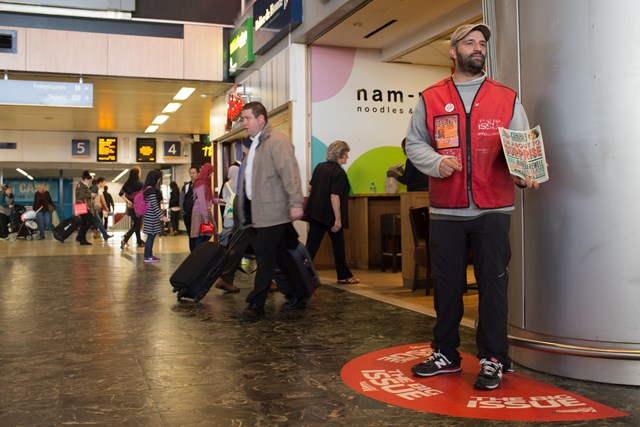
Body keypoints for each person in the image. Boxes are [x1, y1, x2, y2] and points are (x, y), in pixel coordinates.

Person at [405, 23, 540, 391]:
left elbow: (521, 145)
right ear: (453, 51)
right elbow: (414, 143)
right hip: (446, 210)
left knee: (493, 286)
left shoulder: (505, 97)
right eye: (470, 42)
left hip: (493, 208)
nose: (478, 48)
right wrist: (435, 163)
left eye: (482, 43)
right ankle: (446, 353)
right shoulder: (430, 97)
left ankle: (494, 358)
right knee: (446, 285)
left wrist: (524, 173)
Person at [237, 101, 305, 321]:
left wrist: (296, 203)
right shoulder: (254, 144)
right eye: (242, 119)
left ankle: (256, 304)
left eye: (247, 118)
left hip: (273, 212)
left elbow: (290, 173)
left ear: (261, 119)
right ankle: (301, 292)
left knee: (265, 258)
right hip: (258, 212)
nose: (243, 123)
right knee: (282, 256)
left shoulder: (278, 142)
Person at [304, 140, 360, 285]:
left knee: (312, 246)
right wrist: (338, 219)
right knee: (337, 246)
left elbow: (310, 188)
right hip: (329, 216)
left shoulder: (320, 167)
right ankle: (343, 276)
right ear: (340, 155)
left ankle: (299, 274)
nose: (347, 157)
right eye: (346, 154)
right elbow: (334, 196)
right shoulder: (338, 172)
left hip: (315, 213)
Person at [141, 169, 169, 263]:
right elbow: (154, 204)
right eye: (158, 179)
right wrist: (162, 216)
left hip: (148, 215)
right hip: (152, 217)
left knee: (151, 236)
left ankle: (149, 255)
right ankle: (147, 256)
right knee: (151, 236)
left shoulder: (146, 188)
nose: (158, 180)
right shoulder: (151, 190)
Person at [189, 163, 219, 250]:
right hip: (200, 213)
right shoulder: (201, 184)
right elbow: (202, 201)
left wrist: (220, 200)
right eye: (211, 173)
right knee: (200, 235)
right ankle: (197, 254)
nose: (211, 175)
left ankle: (199, 252)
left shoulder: (204, 183)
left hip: (203, 211)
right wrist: (205, 217)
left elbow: (209, 199)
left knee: (206, 233)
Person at [119, 166, 144, 250]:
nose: (140, 174)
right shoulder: (140, 184)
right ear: (137, 174)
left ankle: (139, 241)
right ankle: (125, 238)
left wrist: (127, 201)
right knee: (137, 225)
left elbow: (121, 193)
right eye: (139, 172)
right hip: (138, 207)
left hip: (131, 207)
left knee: (136, 224)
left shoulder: (127, 183)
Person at [180, 166, 198, 251]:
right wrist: (183, 212)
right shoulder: (186, 186)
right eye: (190, 173)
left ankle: (198, 250)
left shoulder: (201, 185)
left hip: (198, 214)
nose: (191, 175)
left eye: (193, 173)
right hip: (188, 214)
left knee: (198, 234)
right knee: (191, 234)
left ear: (198, 173)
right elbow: (181, 199)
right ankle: (193, 251)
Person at [75, 170, 95, 246]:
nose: (90, 182)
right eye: (90, 180)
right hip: (82, 206)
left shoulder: (81, 185)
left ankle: (82, 239)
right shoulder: (82, 186)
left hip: (80, 206)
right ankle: (80, 237)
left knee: (84, 223)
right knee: (90, 221)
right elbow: (81, 195)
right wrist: (91, 195)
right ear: (86, 179)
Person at [91, 177, 113, 241]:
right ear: (100, 182)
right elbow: (90, 198)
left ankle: (105, 236)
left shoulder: (96, 188)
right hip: (91, 209)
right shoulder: (95, 188)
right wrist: (106, 207)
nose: (104, 184)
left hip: (92, 209)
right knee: (88, 223)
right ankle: (80, 236)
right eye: (104, 182)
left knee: (99, 222)